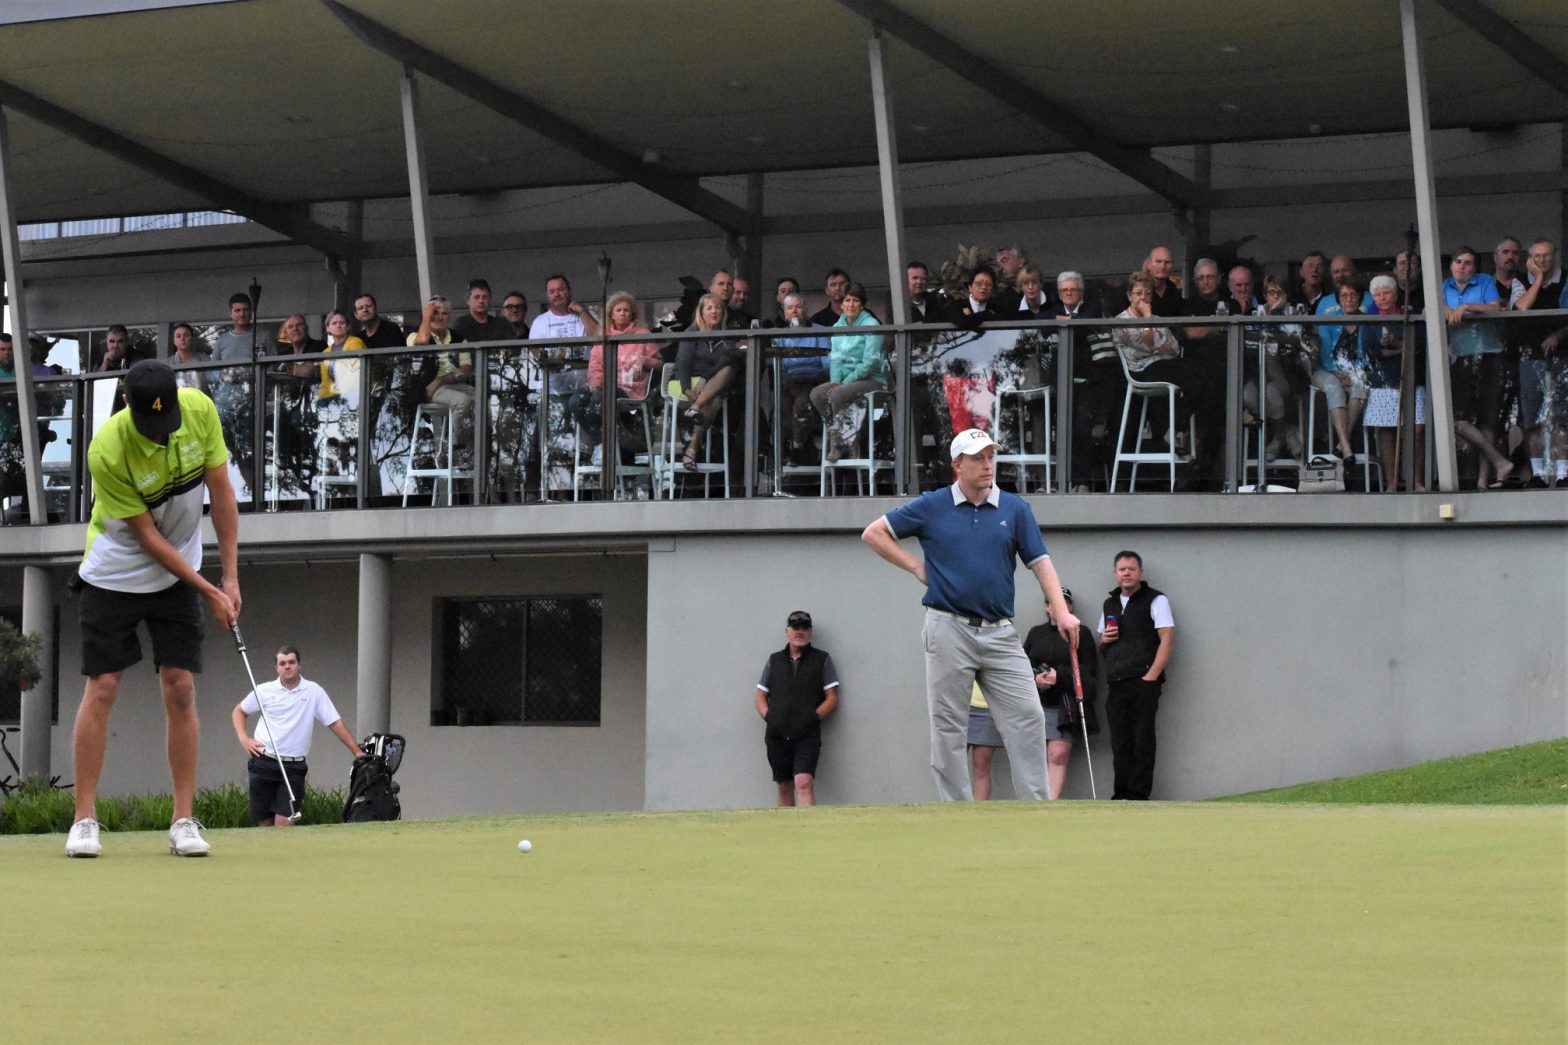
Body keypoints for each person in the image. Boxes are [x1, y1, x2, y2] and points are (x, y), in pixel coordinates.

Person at [66, 359, 241, 857]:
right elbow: (146, 539)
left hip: (180, 572)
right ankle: (84, 820)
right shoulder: (108, 447)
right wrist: (209, 590)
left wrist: (229, 575)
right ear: (129, 406)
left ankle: (183, 820)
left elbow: (222, 493)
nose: (162, 434)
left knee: (181, 686)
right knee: (102, 687)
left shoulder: (200, 410)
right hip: (114, 572)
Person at [861, 428, 1079, 802]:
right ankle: (956, 812)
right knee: (948, 726)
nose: (987, 465)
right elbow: (875, 533)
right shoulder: (932, 505)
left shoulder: (1014, 508)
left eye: (991, 457)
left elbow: (1040, 562)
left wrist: (1062, 613)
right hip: (947, 628)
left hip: (1000, 633)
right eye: (978, 458)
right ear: (957, 465)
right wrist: (916, 567)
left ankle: (1039, 808)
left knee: (1028, 715)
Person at [231, 645, 363, 826]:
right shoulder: (264, 690)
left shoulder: (313, 691)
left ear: (299, 665)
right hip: (263, 761)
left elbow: (334, 722)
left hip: (294, 766)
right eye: (282, 663)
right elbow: (239, 711)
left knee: (284, 822)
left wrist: (357, 752)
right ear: (276, 668)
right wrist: (244, 739)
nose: (287, 666)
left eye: (291, 662)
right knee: (264, 823)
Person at [1098, 550, 1172, 801]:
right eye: (1122, 569)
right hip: (1116, 682)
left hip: (1144, 681)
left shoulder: (1156, 599)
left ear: (1140, 572)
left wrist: (1151, 676)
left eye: (1131, 569)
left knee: (1142, 740)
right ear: (1116, 573)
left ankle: (1139, 795)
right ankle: (1121, 795)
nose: (1127, 573)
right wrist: (1103, 641)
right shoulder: (1110, 603)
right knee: (1120, 742)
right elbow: (1102, 642)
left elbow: (1167, 639)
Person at [1442, 246, 1512, 488]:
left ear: (1475, 267)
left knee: (1487, 420)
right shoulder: (1444, 286)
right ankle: (1500, 461)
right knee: (1456, 419)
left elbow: (1495, 307)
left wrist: (1466, 308)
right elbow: (1426, 307)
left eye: (1468, 263)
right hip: (1461, 356)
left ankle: (1483, 481)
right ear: (1451, 265)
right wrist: (1445, 309)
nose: (1463, 266)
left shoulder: (1483, 281)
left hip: (1489, 355)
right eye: (1459, 261)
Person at [754, 610, 839, 807]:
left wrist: (812, 718)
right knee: (784, 786)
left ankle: (808, 832)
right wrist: (771, 718)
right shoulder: (774, 660)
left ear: (810, 632)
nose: (799, 631)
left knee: (803, 783)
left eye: (804, 628)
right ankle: (786, 834)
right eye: (795, 627)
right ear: (787, 631)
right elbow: (760, 696)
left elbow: (832, 698)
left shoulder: (822, 659)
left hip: (806, 734)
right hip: (777, 734)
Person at [1023, 586, 1097, 799]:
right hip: (1037, 703)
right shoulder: (1036, 633)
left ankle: (1050, 804)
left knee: (1057, 755)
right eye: (1054, 602)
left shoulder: (1081, 633)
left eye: (1064, 603)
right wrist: (1035, 679)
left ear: (1070, 607)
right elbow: (1021, 666)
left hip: (1066, 705)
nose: (1059, 607)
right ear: (1047, 607)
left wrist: (1060, 677)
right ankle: (1035, 801)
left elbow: (1089, 673)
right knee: (1034, 757)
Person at [572, 291, 661, 455]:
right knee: (576, 401)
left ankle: (609, 447)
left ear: (632, 313)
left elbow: (659, 363)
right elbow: (595, 366)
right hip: (605, 386)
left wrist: (644, 360)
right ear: (611, 314)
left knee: (599, 399)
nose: (622, 313)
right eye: (618, 310)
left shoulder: (642, 334)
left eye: (626, 310)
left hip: (630, 390)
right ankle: (601, 442)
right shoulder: (604, 336)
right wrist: (595, 384)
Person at [1361, 275, 1426, 490]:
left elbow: (1418, 345)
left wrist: (1398, 346)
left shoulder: (1407, 316)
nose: (1382, 297)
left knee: (1417, 430)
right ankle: (1391, 482)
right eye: (1377, 294)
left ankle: (1416, 481)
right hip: (1382, 381)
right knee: (1386, 433)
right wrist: (1401, 349)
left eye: (1386, 293)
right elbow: (1372, 350)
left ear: (1396, 294)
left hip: (1411, 380)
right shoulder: (1369, 321)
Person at [810, 282, 887, 462]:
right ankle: (847, 438)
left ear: (862, 304)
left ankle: (841, 443)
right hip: (847, 382)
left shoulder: (872, 325)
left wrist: (844, 383)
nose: (851, 305)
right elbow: (835, 360)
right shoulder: (838, 327)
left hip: (873, 379)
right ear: (841, 303)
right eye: (847, 300)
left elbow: (870, 363)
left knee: (837, 395)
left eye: (855, 300)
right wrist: (836, 381)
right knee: (817, 394)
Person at [673, 292, 742, 472]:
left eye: (718, 307)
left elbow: (728, 359)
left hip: (714, 381)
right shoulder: (692, 332)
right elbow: (683, 363)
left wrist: (706, 377)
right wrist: (687, 389)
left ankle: (695, 415)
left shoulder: (727, 334)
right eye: (709, 308)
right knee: (716, 400)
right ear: (701, 312)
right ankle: (694, 446)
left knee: (728, 370)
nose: (714, 311)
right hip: (690, 384)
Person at [1311, 281, 1372, 462]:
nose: (1349, 299)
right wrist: (1336, 372)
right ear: (1338, 300)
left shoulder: (1367, 321)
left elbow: (1368, 353)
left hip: (1355, 372)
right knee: (1333, 386)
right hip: (1325, 371)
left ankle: (1341, 445)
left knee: (1361, 383)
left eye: (1353, 295)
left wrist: (1351, 372)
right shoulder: (1329, 320)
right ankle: (1345, 445)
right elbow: (1323, 354)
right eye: (1344, 296)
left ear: (1360, 298)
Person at [407, 295, 474, 457]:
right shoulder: (414, 336)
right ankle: (455, 449)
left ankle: (476, 446)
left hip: (448, 384)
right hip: (427, 389)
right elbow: (421, 341)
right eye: (435, 313)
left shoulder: (458, 338)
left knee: (481, 399)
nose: (439, 317)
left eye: (444, 313)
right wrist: (426, 316)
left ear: (449, 317)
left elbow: (466, 368)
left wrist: (441, 379)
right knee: (463, 402)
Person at [775, 292, 831, 464]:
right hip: (789, 382)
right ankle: (784, 451)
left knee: (801, 403)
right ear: (784, 313)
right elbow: (779, 367)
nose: (794, 311)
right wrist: (790, 382)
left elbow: (827, 364)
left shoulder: (819, 331)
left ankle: (797, 446)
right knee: (781, 407)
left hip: (814, 380)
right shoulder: (780, 336)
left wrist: (808, 380)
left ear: (806, 310)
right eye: (790, 308)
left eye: (798, 307)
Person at [451, 278, 510, 343]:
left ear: (490, 300)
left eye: (484, 297)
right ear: (468, 301)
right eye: (476, 297)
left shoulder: (501, 324)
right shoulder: (461, 324)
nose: (481, 301)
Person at [213, 292, 261, 362]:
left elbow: (273, 367)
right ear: (230, 314)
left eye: (245, 310)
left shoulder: (264, 336)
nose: (242, 314)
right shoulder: (221, 340)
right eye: (237, 310)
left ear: (251, 312)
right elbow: (213, 370)